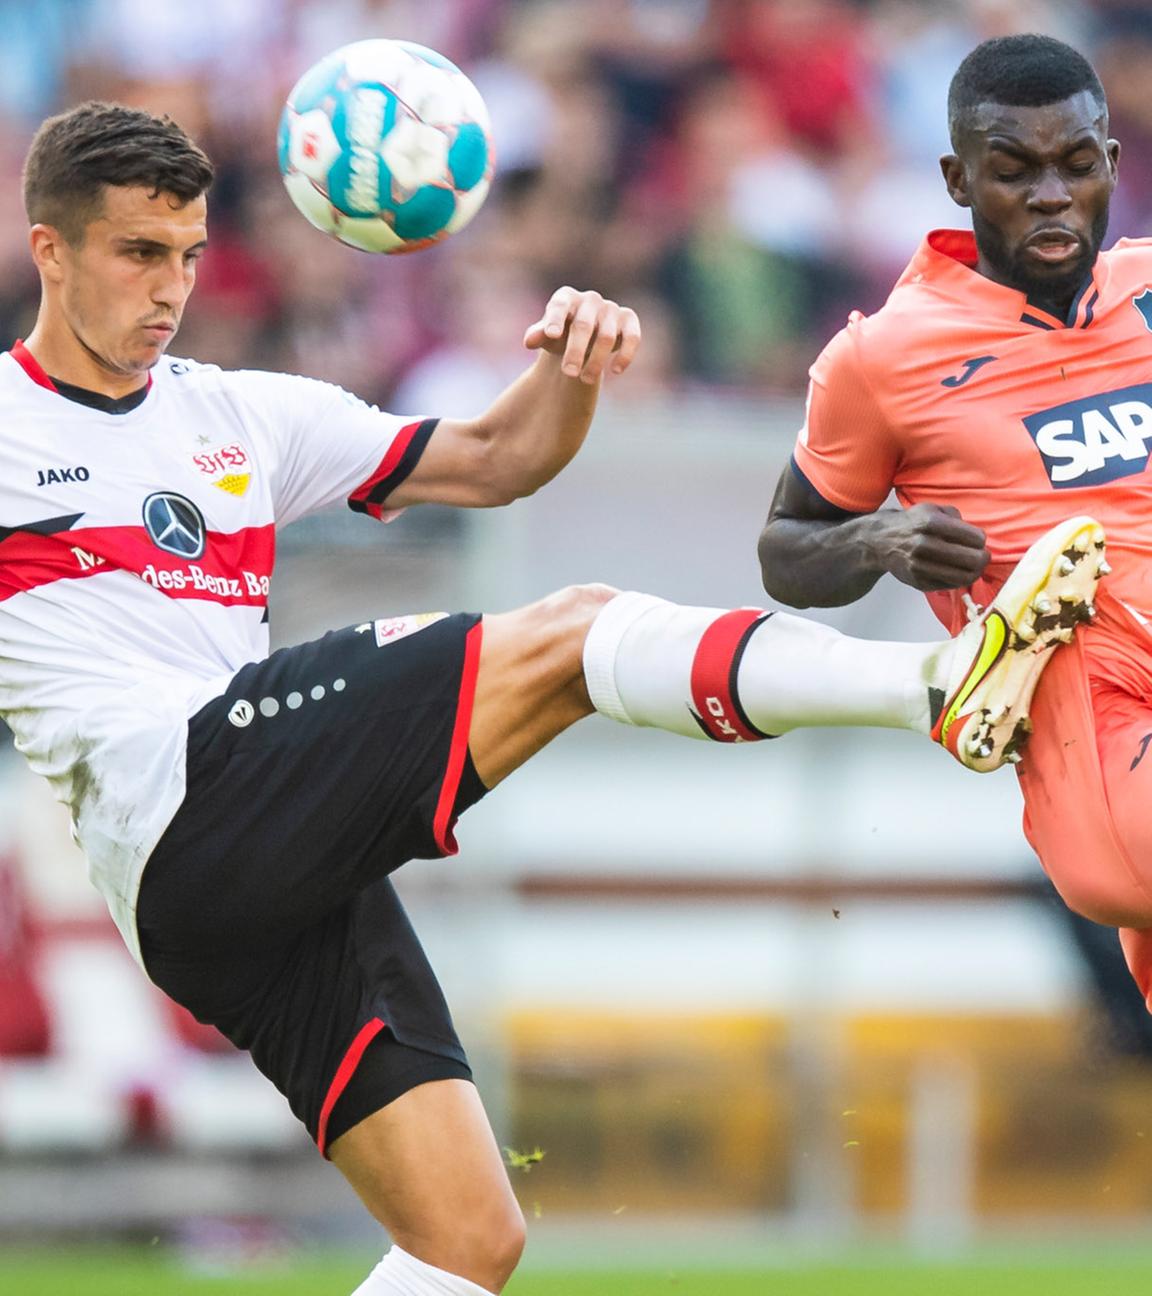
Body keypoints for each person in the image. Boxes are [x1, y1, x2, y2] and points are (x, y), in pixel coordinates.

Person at [1, 100, 1098, 1296]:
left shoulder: (237, 415)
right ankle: (938, 685)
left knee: (467, 1242)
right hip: (179, 795)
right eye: (138, 253)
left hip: (250, 874)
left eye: (191, 255)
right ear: (50, 248)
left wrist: (570, 368)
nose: (171, 288)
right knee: (574, 633)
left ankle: (947, 686)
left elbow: (496, 459)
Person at [759, 31, 1152, 1029]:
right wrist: (878, 543)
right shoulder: (881, 359)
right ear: (957, 178)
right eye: (1014, 171)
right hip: (1084, 698)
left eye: (1076, 166)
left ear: (1111, 164)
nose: (1052, 196)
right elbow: (786, 551)